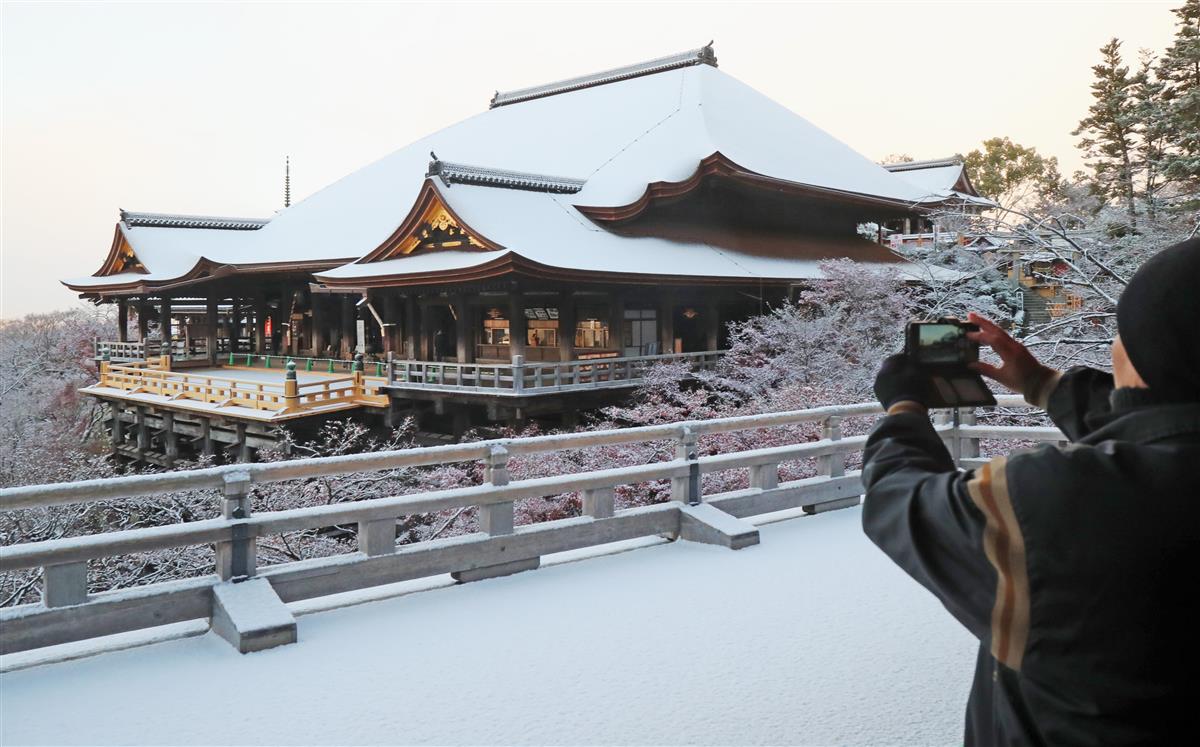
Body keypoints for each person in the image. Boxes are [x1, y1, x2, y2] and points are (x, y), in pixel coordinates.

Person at [861, 238, 1200, 745]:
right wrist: (1040, 381)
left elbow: (901, 502)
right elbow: (1161, 431)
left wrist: (903, 408)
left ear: (1146, 352)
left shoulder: (1057, 500)